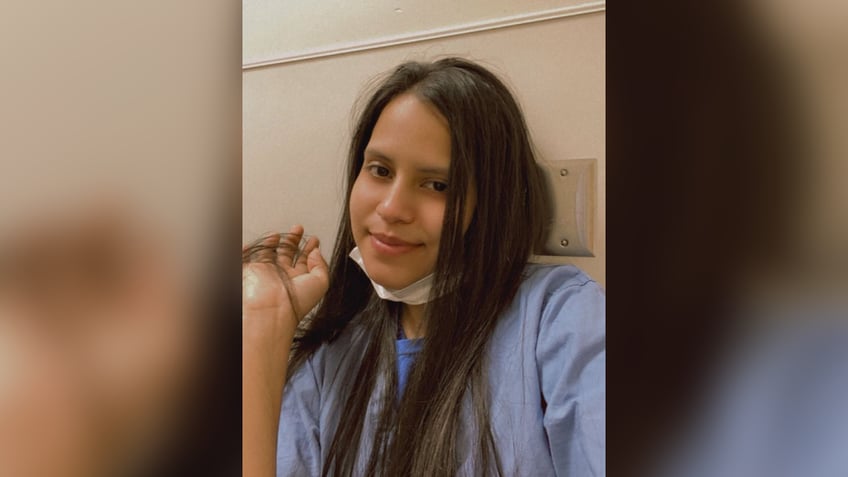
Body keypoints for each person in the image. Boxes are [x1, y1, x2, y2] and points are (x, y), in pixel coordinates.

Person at [242, 57, 605, 477]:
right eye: (380, 170)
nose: (391, 208)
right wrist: (262, 325)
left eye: (437, 185)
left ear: (491, 202)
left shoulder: (561, 319)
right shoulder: (331, 359)